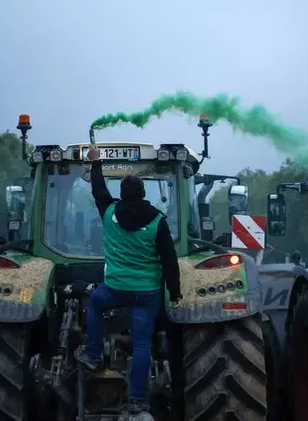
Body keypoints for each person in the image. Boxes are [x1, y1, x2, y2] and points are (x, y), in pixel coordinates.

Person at [74, 145, 183, 418]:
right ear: (144, 194)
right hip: (147, 294)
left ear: (121, 195)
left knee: (95, 304)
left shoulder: (109, 212)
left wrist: (96, 163)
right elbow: (170, 261)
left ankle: (94, 354)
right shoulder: (159, 221)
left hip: (114, 290)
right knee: (142, 345)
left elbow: (98, 190)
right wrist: (176, 293)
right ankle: (137, 403)